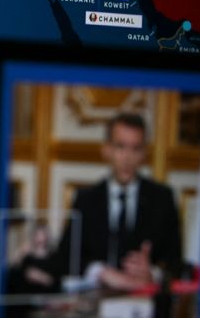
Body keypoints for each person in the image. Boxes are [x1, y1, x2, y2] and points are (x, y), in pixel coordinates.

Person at [31, 113, 183, 292]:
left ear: (144, 153)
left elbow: (176, 263)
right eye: (120, 147)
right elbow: (65, 258)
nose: (127, 157)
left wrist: (153, 273)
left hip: (144, 299)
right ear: (106, 150)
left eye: (136, 149)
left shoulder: (162, 199)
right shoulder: (86, 199)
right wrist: (100, 272)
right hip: (96, 298)